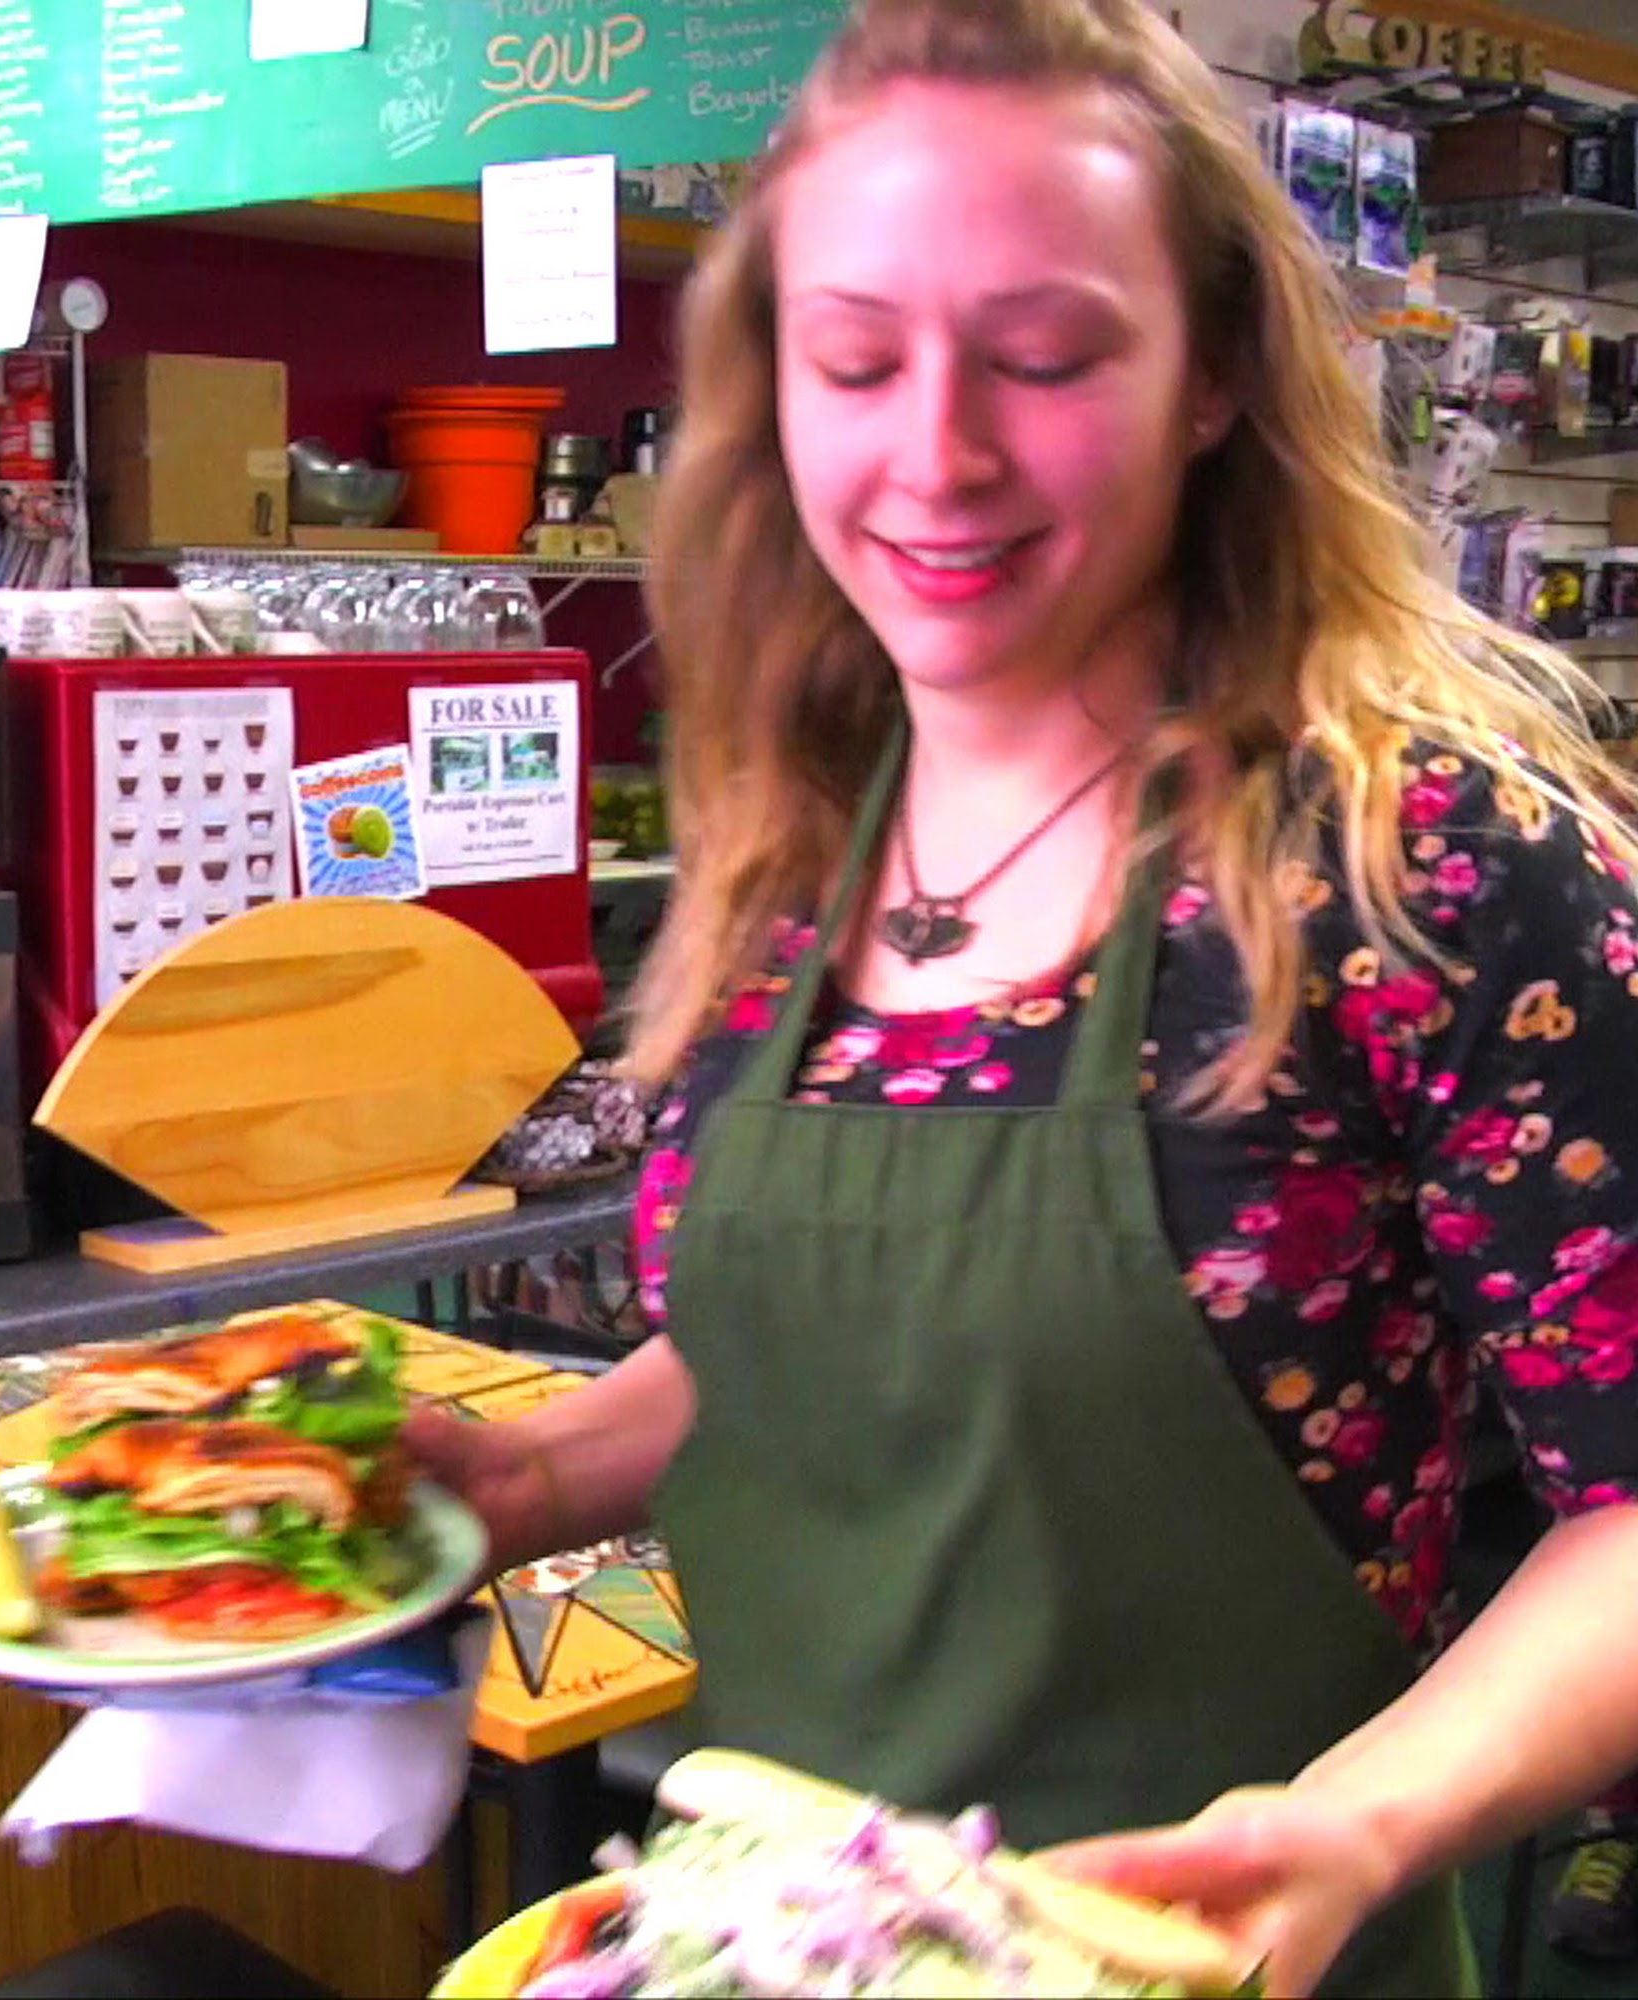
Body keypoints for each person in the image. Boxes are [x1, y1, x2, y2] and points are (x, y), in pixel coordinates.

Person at [407, 3, 1638, 1992]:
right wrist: (534, 1474)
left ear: (1212, 373)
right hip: (761, 1946)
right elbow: (832, 1347)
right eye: (855, 358)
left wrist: (1367, 1815)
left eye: (1045, 354)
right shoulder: (788, 847)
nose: (937, 452)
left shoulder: (1417, 865)